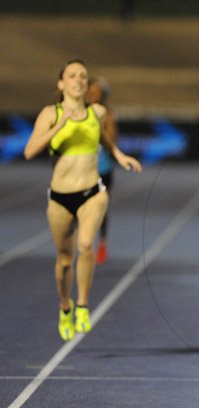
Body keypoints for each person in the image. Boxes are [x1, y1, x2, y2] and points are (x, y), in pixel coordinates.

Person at [24, 59, 142, 341]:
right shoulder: (50, 114)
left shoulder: (96, 112)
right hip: (60, 196)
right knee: (65, 260)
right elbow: (30, 151)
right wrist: (59, 125)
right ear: (61, 83)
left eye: (83, 76)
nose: (78, 80)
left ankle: (83, 305)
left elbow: (103, 138)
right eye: (72, 76)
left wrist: (120, 155)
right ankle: (65, 306)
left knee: (86, 244)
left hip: (91, 191)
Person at [86, 76, 116, 264]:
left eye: (97, 92)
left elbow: (112, 140)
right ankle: (83, 243)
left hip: (103, 168)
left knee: (101, 208)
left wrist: (99, 132)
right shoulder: (80, 112)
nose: (93, 94)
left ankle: (102, 242)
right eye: (91, 91)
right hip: (83, 169)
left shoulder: (107, 114)